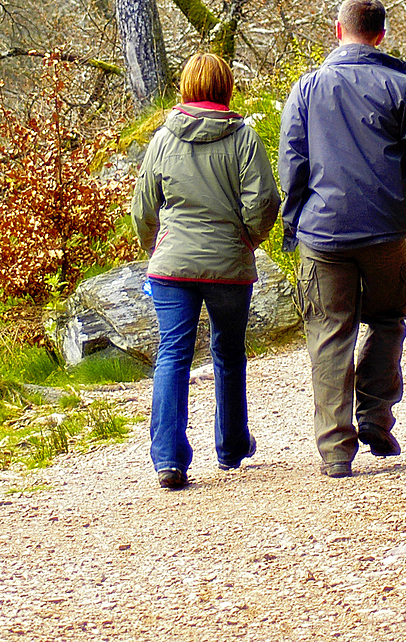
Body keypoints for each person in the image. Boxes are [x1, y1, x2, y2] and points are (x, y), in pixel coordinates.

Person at [278, 0, 406, 478]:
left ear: (338, 30)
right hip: (385, 230)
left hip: (322, 234)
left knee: (330, 333)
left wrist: (296, 219)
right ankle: (375, 415)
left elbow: (292, 161)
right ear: (381, 35)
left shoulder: (308, 88)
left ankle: (335, 450)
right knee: (388, 319)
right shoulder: (402, 87)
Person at [132, 52, 280, 490]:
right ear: (226, 88)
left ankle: (168, 459)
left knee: (172, 354)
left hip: (171, 266)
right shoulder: (244, 139)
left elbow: (143, 208)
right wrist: (248, 240)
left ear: (186, 87)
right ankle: (231, 447)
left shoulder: (162, 139)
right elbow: (264, 202)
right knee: (229, 353)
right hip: (228, 265)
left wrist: (156, 246)